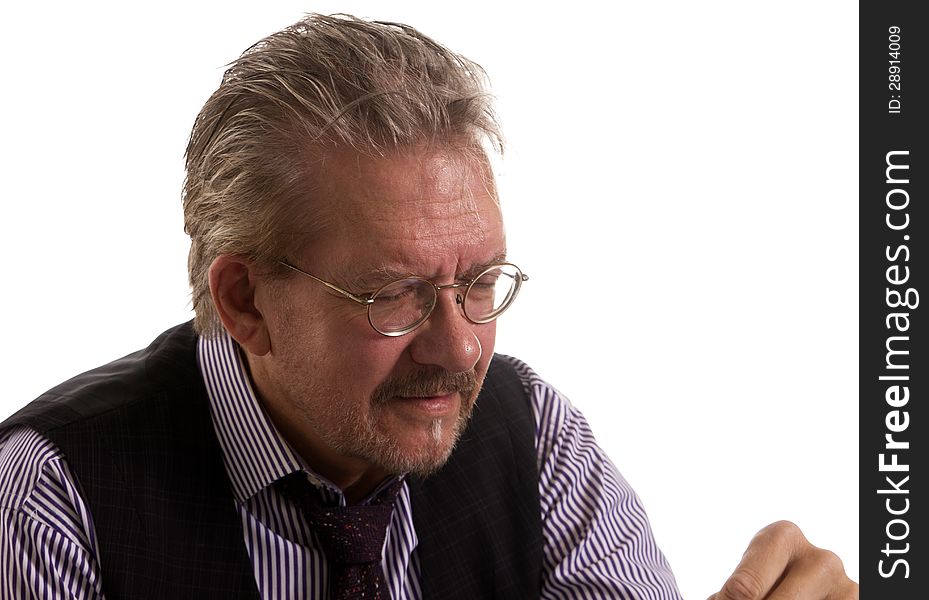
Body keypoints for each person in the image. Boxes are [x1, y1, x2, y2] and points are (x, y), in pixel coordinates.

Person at [0, 13, 856, 600]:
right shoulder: (52, 499)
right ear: (244, 300)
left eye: (480, 282)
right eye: (394, 294)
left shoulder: (535, 442)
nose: (457, 348)